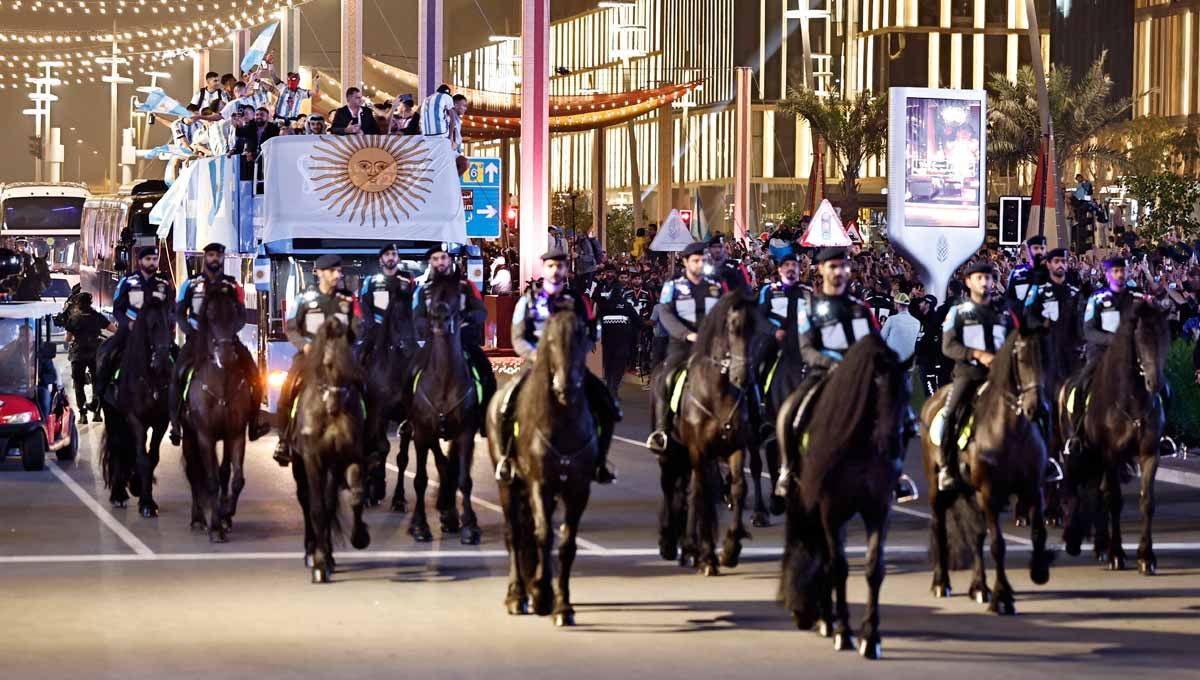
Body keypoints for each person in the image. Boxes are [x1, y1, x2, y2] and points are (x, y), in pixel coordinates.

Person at [497, 249, 618, 484]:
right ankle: (507, 458)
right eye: (551, 266)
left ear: (566, 270)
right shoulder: (529, 299)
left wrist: (575, 354)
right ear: (544, 269)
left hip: (570, 366)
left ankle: (600, 461)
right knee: (506, 405)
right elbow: (518, 336)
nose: (555, 271)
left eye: (560, 266)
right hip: (536, 365)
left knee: (606, 405)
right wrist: (537, 357)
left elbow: (591, 333)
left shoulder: (577, 300)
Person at [169, 243, 265, 445]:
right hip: (197, 340)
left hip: (226, 339)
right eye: (211, 255)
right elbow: (180, 314)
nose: (215, 259)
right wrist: (191, 332)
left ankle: (254, 422)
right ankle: (176, 422)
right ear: (205, 258)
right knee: (177, 374)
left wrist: (229, 333)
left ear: (222, 258)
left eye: (218, 256)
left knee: (254, 374)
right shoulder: (191, 284)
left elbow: (241, 314)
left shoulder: (232, 285)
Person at [273, 254, 361, 466]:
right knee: (287, 392)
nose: (337, 275)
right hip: (309, 356)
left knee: (363, 388)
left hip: (339, 356)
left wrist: (346, 343)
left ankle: (366, 439)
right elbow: (292, 327)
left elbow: (357, 325)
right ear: (320, 272)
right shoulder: (304, 299)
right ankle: (284, 440)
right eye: (332, 271)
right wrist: (304, 345)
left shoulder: (348, 299)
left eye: (339, 271)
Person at [646, 241, 727, 452]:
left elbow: (724, 314)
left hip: (711, 347)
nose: (700, 264)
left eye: (702, 260)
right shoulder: (673, 287)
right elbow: (665, 313)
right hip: (682, 346)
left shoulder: (715, 287)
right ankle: (661, 430)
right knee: (666, 379)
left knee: (736, 376)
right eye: (695, 260)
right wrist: (686, 334)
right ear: (685, 262)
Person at [938, 261, 1009, 491]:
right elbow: (948, 347)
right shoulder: (957, 312)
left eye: (988, 278)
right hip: (969, 374)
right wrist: (975, 354)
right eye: (979, 277)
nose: (984, 282)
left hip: (1000, 376)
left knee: (1035, 406)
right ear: (968, 282)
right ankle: (947, 467)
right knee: (950, 415)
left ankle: (1044, 461)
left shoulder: (1003, 313)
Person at [411, 243, 497, 431]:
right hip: (434, 342)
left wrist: (466, 318)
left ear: (450, 260)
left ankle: (485, 418)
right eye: (435, 259)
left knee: (486, 371)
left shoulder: (466, 287)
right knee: (410, 372)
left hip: (464, 342)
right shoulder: (423, 290)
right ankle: (409, 419)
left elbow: (482, 312)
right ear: (430, 263)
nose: (440, 262)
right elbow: (416, 318)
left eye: (443, 258)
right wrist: (431, 327)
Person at [91, 246, 175, 414]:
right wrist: (126, 323)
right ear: (140, 261)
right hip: (130, 331)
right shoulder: (128, 282)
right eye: (148, 259)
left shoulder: (163, 284)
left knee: (176, 358)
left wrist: (167, 326)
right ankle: (98, 397)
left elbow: (171, 309)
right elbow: (117, 308)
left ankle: (177, 405)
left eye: (154, 259)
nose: (152, 263)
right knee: (108, 354)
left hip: (156, 334)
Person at [357, 243, 416, 362]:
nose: (391, 257)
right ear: (381, 260)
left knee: (420, 358)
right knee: (360, 356)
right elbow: (365, 307)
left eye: (394, 254)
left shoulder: (408, 279)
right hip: (378, 329)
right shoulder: (371, 281)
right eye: (387, 254)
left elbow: (413, 306)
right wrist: (372, 328)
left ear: (398, 258)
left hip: (402, 331)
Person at [63, 292, 113, 425]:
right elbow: (113, 329)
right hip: (95, 353)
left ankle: (83, 414)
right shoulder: (97, 316)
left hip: (78, 354)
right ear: (90, 303)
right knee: (98, 383)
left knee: (78, 384)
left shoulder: (73, 317)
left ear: (78, 303)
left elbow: (67, 338)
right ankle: (97, 413)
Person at [597, 269, 639, 397]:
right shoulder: (627, 306)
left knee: (608, 365)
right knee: (619, 366)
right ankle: (613, 388)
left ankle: (610, 387)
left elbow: (597, 322)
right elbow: (637, 321)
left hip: (607, 341)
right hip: (623, 341)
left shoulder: (604, 306)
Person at [1004, 235, 1047, 313]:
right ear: (1029, 250)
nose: (1039, 251)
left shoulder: (1052, 273)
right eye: (1036, 248)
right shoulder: (1017, 273)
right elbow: (1009, 299)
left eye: (1042, 248)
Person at [880, 292, 920, 365]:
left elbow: (881, 339)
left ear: (897, 305)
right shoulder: (917, 322)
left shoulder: (891, 320)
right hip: (909, 363)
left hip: (893, 361)